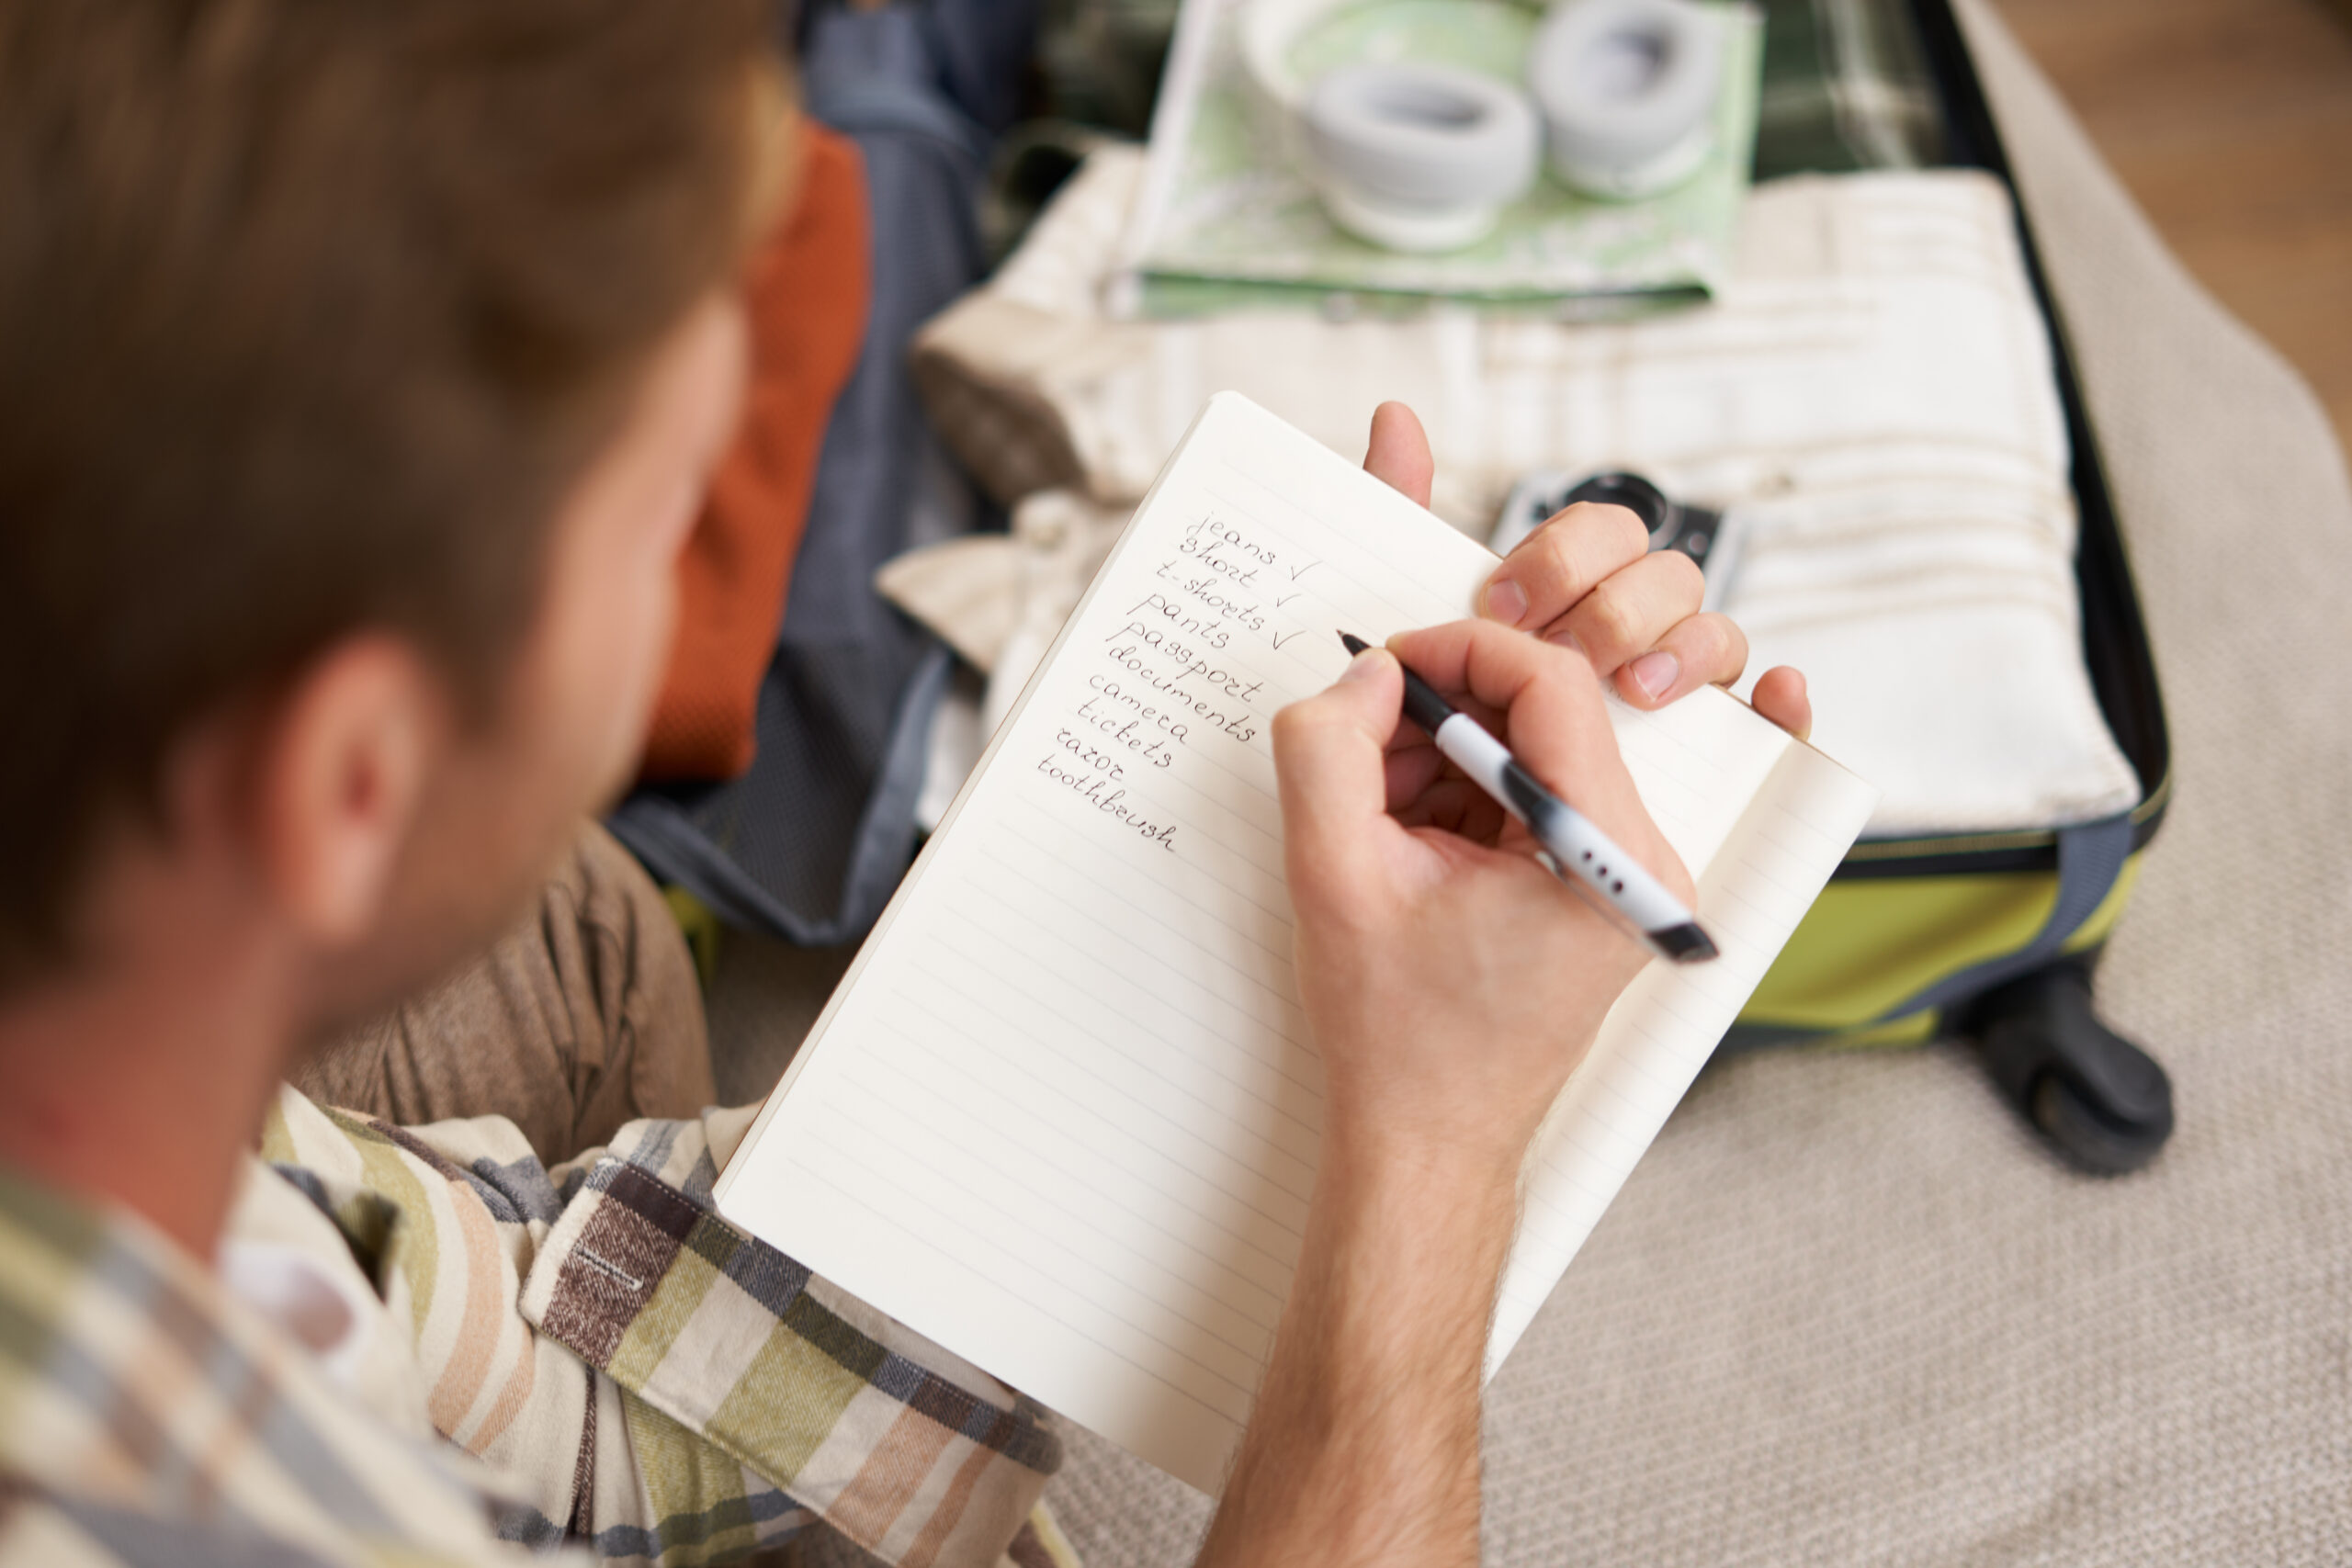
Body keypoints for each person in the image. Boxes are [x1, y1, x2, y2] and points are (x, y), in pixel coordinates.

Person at [0, 3, 1809, 1566]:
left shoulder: (223, 1197)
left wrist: (1243, 949)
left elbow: (553, 1372)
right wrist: (1431, 1164)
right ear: (349, 781)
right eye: (670, 521)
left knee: (577, 937)